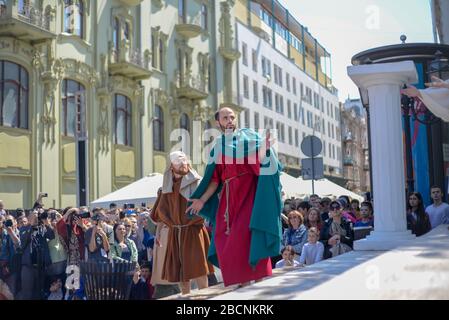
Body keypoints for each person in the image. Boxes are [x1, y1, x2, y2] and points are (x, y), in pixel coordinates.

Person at [187, 107, 282, 287]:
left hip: (250, 195)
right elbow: (214, 179)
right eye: (225, 118)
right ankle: (242, 283)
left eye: (232, 117)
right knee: (227, 241)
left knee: (251, 234)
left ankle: (258, 281)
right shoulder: (218, 146)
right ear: (218, 122)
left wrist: (265, 147)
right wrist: (202, 200)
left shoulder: (249, 137)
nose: (229, 120)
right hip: (229, 199)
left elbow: (260, 160)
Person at [152, 151, 212, 295]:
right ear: (171, 166)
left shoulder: (196, 182)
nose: (183, 163)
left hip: (193, 231)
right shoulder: (167, 186)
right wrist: (158, 232)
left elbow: (207, 204)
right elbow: (161, 212)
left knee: (199, 270)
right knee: (181, 274)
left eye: (184, 160)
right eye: (178, 161)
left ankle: (207, 299)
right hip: (176, 233)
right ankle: (186, 301)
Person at [17, 209, 55, 300]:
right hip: (28, 266)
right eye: (35, 215)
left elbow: (51, 235)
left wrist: (46, 221)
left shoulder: (42, 228)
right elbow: (23, 239)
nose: (36, 218)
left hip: (40, 266)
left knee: (39, 294)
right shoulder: (24, 228)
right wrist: (31, 224)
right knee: (27, 294)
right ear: (29, 217)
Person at [0, 215, 20, 298]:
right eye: (6, 222)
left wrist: (11, 231)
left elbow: (18, 244)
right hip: (3, 267)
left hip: (13, 268)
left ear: (15, 222)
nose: (8, 224)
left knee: (11, 293)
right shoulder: (4, 233)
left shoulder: (18, 232)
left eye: (10, 221)